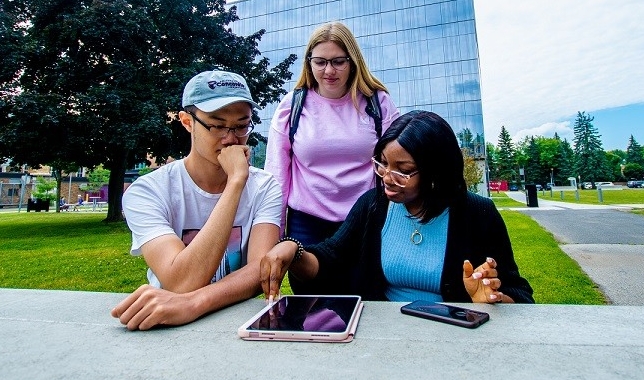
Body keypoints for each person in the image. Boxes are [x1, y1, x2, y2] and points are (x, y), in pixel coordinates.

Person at [261, 110, 534, 304]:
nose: (387, 179)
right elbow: (330, 259)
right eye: (382, 164)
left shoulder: (479, 214)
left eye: (403, 171)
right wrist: (293, 250)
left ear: (437, 173)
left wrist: (493, 298)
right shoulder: (372, 206)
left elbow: (520, 294)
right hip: (384, 340)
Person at [111, 70, 282, 330]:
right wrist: (235, 184)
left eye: (241, 125)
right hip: (165, 326)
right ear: (187, 121)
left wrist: (193, 303)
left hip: (237, 322)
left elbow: (261, 270)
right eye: (217, 124)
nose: (230, 138)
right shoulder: (147, 191)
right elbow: (180, 282)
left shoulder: (265, 186)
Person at [264, 21, 400, 293]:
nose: (328, 70)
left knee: (365, 296)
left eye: (338, 61)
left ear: (353, 61)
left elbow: (396, 163)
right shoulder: (291, 106)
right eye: (320, 62)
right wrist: (275, 236)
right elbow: (277, 177)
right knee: (311, 302)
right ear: (309, 63)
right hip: (307, 222)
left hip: (364, 218)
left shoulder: (378, 102)